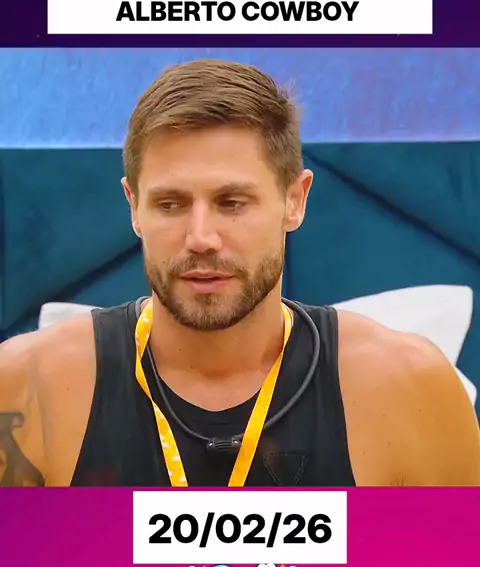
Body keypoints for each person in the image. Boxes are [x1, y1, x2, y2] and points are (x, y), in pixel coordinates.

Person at [1, 59, 480, 488]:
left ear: (295, 200)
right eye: (170, 204)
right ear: (134, 207)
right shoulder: (25, 387)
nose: (201, 237)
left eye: (232, 203)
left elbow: (449, 564)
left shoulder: (408, 390)